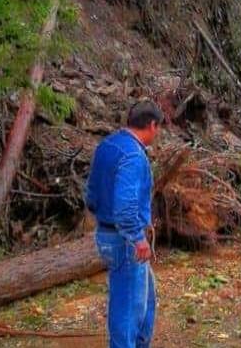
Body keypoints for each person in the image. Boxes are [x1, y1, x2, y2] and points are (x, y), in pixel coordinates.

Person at [85, 101, 164, 347]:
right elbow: (125, 206)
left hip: (107, 234)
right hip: (125, 241)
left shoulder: (108, 145)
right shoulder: (133, 156)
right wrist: (137, 238)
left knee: (146, 298)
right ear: (152, 125)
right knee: (128, 309)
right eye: (158, 128)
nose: (158, 133)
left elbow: (90, 194)